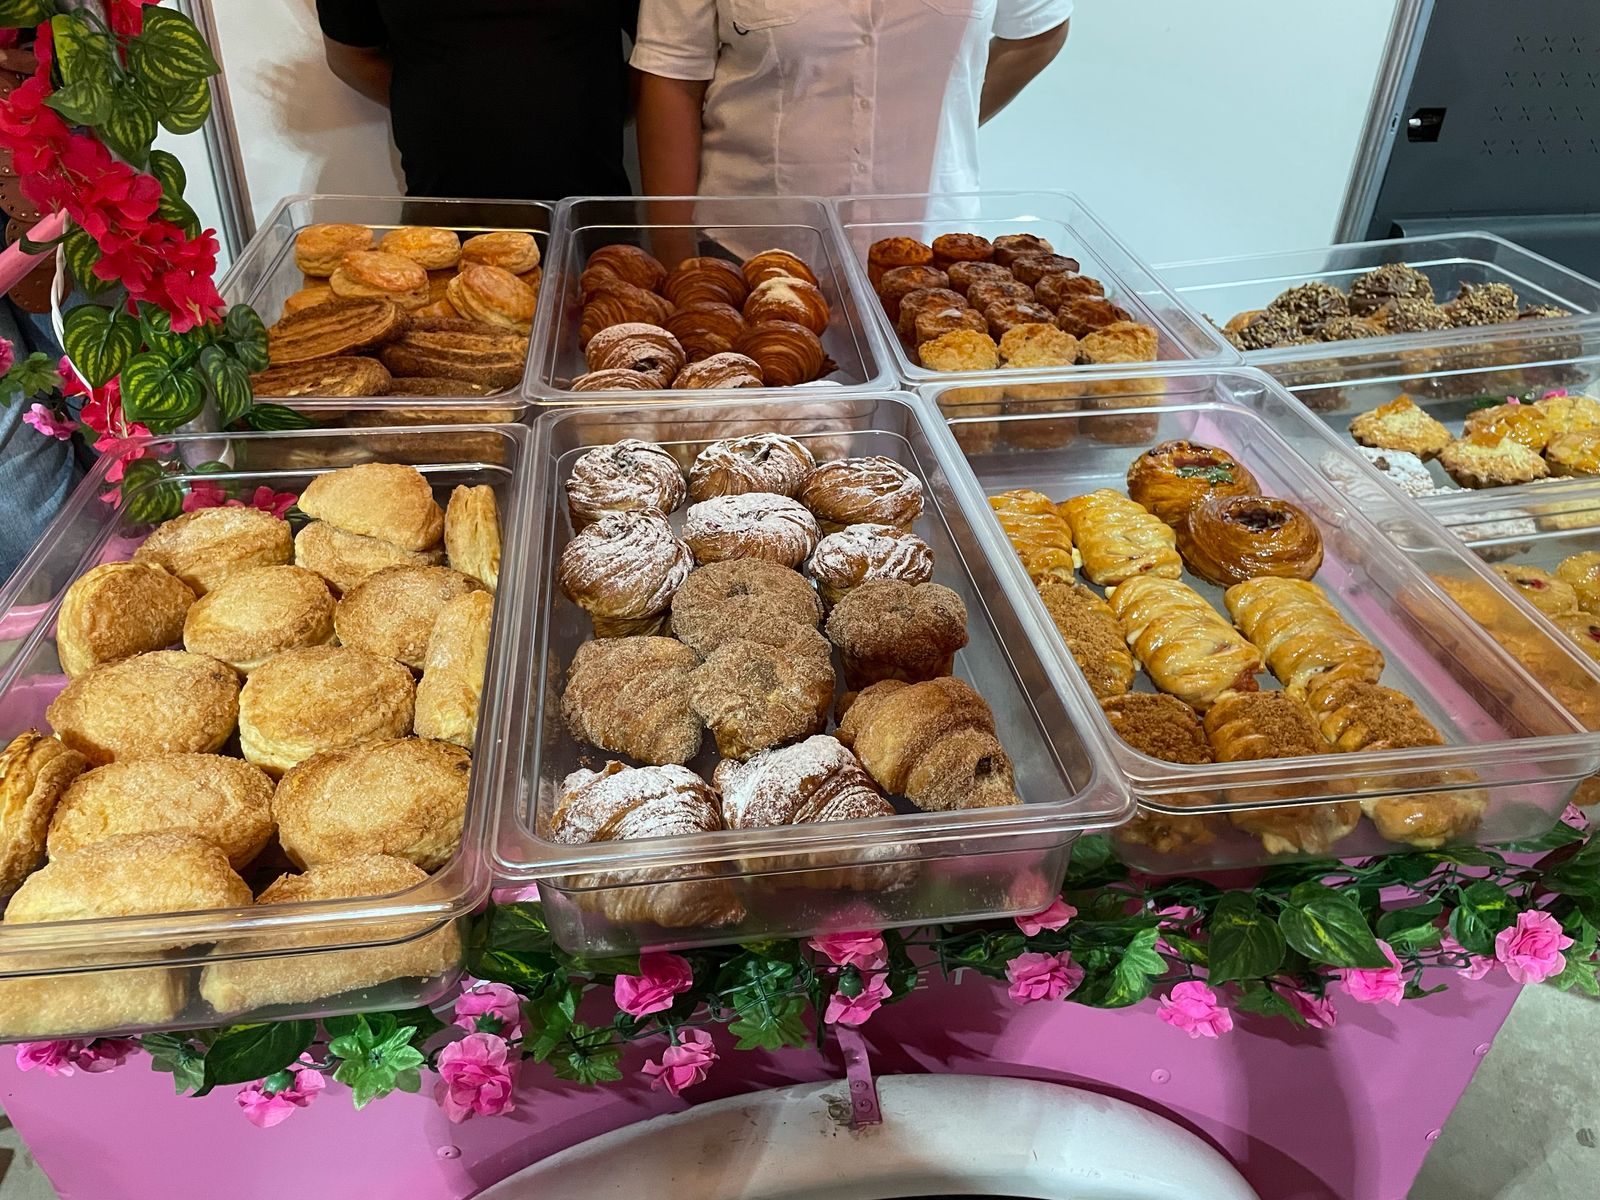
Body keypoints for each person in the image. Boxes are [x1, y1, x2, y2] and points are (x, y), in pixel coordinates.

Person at [632, 1, 1070, 199]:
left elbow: (1039, 29)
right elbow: (671, 74)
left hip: (934, 257)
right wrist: (678, 261)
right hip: (751, 247)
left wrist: (935, 129)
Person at [315, 1, 639, 199]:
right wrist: (438, 107)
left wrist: (600, 109)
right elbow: (351, 57)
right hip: (441, 227)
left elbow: (658, 62)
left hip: (591, 222)